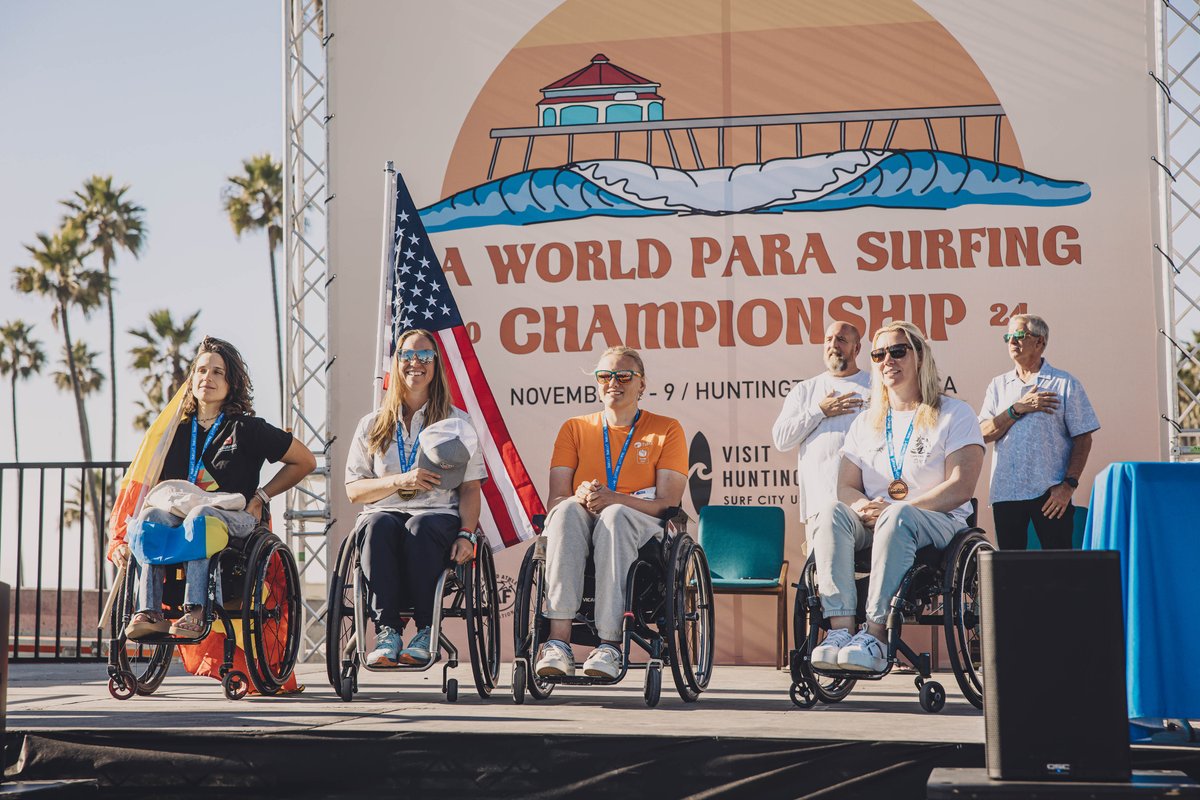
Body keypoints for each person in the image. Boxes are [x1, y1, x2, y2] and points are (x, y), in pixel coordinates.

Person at [110, 336, 316, 639]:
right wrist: (122, 538)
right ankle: (149, 611)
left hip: (235, 517)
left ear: (231, 383)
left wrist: (261, 496)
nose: (208, 378)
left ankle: (196, 611)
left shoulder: (247, 428)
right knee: (151, 519)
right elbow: (145, 491)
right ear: (191, 379)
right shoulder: (171, 433)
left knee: (201, 517)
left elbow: (305, 461)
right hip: (182, 515)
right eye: (202, 370)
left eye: (218, 372)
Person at [808, 321, 984, 673]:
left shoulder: (954, 413)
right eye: (879, 354)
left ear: (919, 357)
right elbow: (845, 486)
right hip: (875, 521)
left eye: (897, 351)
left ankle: (875, 634)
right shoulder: (866, 421)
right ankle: (841, 632)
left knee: (897, 517)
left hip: (937, 523)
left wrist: (896, 508)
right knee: (829, 512)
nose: (887, 359)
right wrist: (862, 507)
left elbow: (960, 486)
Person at [534, 346, 687, 680]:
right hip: (586, 517)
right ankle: (557, 642)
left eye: (623, 376)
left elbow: (667, 503)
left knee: (616, 515)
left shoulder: (666, 429)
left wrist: (614, 498)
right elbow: (556, 499)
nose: (613, 382)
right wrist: (581, 494)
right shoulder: (574, 428)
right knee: (564, 513)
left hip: (642, 524)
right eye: (604, 376)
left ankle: (609, 643)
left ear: (641, 384)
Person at [345, 329, 486, 667]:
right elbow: (354, 490)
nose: (416, 363)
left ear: (436, 365)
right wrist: (401, 479)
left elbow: (469, 488)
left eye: (425, 356)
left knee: (420, 527)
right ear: (397, 364)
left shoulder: (456, 421)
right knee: (377, 524)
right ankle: (387, 632)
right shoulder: (372, 424)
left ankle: (426, 630)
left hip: (437, 514)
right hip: (385, 512)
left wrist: (467, 535)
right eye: (408, 356)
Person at [978, 314, 1099, 550]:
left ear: (1040, 342)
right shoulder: (998, 385)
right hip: (1006, 494)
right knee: (1011, 573)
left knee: (1057, 571)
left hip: (1050, 494)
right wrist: (1017, 409)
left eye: (1019, 335)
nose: (1012, 341)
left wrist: (1068, 485)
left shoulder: (1064, 383)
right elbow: (983, 433)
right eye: (1008, 336)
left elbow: (1083, 438)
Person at [772, 321, 871, 532]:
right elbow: (781, 439)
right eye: (828, 339)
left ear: (857, 348)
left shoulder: (875, 386)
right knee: (822, 566)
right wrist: (819, 411)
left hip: (867, 508)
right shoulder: (805, 390)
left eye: (842, 340)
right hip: (820, 509)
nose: (833, 344)